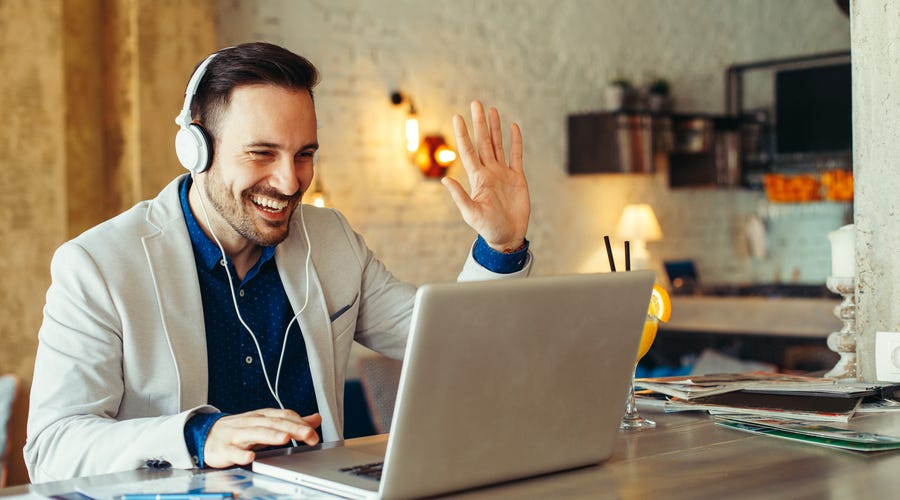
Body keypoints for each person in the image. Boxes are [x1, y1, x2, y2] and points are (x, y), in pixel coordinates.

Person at [24, 42, 532, 482]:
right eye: (262, 153)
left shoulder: (332, 239)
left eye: (304, 154)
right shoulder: (95, 266)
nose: (290, 183)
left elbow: (452, 345)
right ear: (196, 149)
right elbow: (53, 447)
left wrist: (501, 244)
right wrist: (199, 436)